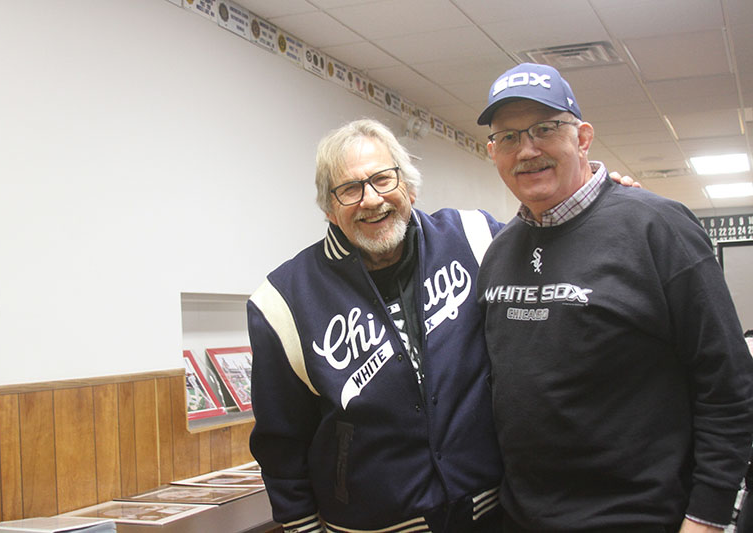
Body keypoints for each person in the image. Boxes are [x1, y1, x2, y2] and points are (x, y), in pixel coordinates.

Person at [247, 118, 637, 533]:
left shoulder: (475, 238)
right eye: (349, 189)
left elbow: (554, 250)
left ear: (410, 188)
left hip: (491, 514)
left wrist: (604, 210)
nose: (371, 199)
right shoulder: (282, 301)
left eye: (383, 179)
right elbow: (280, 445)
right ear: (329, 207)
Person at [475, 62, 753, 532]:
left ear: (582, 137)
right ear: (492, 151)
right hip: (521, 517)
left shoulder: (657, 227)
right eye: (508, 137)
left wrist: (705, 517)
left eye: (545, 129)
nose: (527, 149)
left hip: (640, 517)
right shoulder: (500, 250)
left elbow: (727, 386)